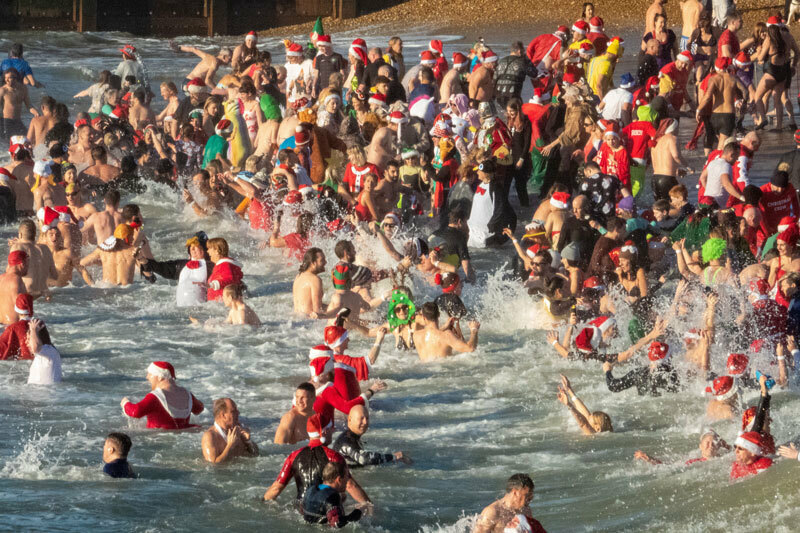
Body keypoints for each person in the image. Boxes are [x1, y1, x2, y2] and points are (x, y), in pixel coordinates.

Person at [264, 414, 370, 506]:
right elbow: (350, 485)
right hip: (327, 510)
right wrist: (370, 506)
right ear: (324, 432)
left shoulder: (293, 456)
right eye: (330, 429)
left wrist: (262, 502)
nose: (332, 431)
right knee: (342, 497)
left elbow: (276, 488)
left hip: (302, 509)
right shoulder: (334, 456)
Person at [120, 361, 204, 430]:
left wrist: (125, 403)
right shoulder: (187, 394)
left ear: (160, 377)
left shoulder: (155, 397)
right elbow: (199, 409)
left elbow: (135, 412)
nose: (147, 377)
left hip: (159, 440)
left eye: (150, 374)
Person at [331, 404, 411, 467]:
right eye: (361, 418)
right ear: (350, 420)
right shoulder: (346, 441)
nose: (365, 422)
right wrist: (394, 457)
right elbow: (364, 459)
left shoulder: (352, 437)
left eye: (367, 418)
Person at [474, 473, 546, 533]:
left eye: (531, 494)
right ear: (515, 492)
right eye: (527, 495)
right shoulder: (493, 512)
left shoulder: (526, 510)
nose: (531, 498)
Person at [301, 461, 364, 527]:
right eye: (346, 477)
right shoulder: (332, 496)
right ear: (339, 479)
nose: (347, 480)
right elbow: (338, 524)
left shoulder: (310, 489)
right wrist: (359, 511)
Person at [412, 301, 480, 361]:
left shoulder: (416, 335)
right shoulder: (446, 336)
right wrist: (474, 330)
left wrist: (444, 327)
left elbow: (432, 334)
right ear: (439, 315)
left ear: (424, 318)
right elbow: (470, 349)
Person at [201, 398, 258, 463]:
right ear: (223, 415)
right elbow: (212, 465)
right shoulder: (210, 436)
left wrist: (248, 442)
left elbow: (256, 455)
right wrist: (230, 445)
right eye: (233, 411)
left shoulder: (238, 429)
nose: (238, 413)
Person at [0, 293, 52, 360]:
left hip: (21, 364)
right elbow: (49, 347)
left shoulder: (12, 328)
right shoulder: (40, 324)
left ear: (16, 309)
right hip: (41, 361)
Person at [634, 429, 729, 465]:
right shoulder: (693, 462)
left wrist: (726, 445)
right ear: (700, 446)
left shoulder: (726, 458)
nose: (710, 445)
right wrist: (649, 459)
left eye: (713, 443)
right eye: (707, 442)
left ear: (718, 447)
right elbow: (668, 466)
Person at [0, 68, 38, 139]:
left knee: (28, 139)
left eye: (9, 78)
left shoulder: (23, 89)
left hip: (18, 121)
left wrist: (35, 113)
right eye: (5, 78)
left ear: (15, 78)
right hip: (7, 122)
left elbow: (29, 105)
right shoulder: (3, 90)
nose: (6, 80)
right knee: (9, 143)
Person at [26, 317, 62, 385]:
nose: (26, 342)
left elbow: (35, 347)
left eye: (29, 339)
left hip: (45, 394)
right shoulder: (44, 354)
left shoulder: (49, 350)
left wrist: (33, 329)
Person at [294, 248, 327, 317]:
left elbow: (308, 305)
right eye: (322, 260)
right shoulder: (315, 279)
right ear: (313, 263)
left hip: (298, 318)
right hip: (310, 321)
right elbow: (317, 310)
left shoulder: (298, 276)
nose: (325, 262)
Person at [0, 250, 29, 325]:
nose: (28, 267)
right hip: (12, 327)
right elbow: (22, 306)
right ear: (22, 264)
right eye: (28, 264)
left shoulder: (1, 278)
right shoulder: (17, 279)